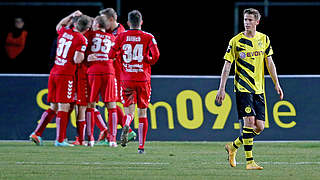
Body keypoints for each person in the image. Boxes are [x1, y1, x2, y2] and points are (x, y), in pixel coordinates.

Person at [215, 8, 283, 170]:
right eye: (245, 20)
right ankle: (250, 161)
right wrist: (221, 88)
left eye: (250, 20)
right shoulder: (236, 41)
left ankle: (233, 146)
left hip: (259, 89)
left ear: (257, 22)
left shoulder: (264, 39)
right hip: (243, 88)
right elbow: (227, 65)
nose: (247, 23)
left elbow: (270, 63)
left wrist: (276, 83)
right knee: (249, 122)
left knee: (260, 127)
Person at [30, 11, 91, 147]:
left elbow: (59, 25)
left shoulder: (64, 32)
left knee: (54, 107)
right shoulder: (81, 39)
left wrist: (71, 15)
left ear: (75, 23)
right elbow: (77, 59)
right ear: (87, 29)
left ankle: (37, 133)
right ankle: (60, 139)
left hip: (54, 72)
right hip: (66, 75)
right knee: (65, 106)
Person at [109, 10, 160, 154]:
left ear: (128, 23)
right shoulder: (148, 37)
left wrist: (121, 56)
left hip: (126, 79)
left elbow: (111, 55)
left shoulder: (121, 36)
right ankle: (141, 147)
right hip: (143, 79)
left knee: (129, 110)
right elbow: (156, 56)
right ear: (141, 22)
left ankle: (126, 123)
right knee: (142, 112)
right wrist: (147, 60)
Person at [97, 8, 137, 144]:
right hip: (109, 73)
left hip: (117, 74)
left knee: (112, 104)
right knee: (110, 103)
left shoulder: (120, 33)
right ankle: (124, 132)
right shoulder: (108, 32)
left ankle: (113, 135)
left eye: (103, 20)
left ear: (111, 20)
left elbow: (116, 56)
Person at [85, 15, 119, 147]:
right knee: (111, 106)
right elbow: (115, 56)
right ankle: (112, 139)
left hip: (94, 71)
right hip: (109, 71)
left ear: (97, 25)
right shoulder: (112, 38)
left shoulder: (91, 35)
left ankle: (90, 139)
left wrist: (89, 57)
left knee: (91, 105)